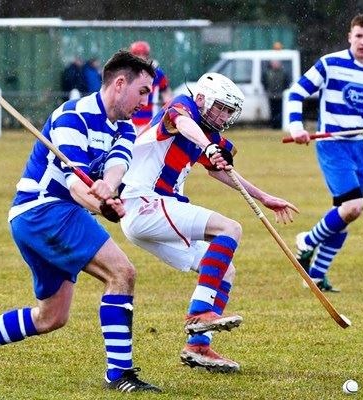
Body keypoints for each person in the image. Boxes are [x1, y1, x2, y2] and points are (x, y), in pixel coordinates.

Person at [0, 50, 162, 393]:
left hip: (40, 218)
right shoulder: (74, 116)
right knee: (122, 272)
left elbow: (117, 166)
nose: (145, 101)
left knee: (51, 317)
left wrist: (109, 188)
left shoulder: (126, 128)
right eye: (143, 91)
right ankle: (120, 374)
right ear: (120, 84)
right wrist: (101, 203)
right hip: (44, 210)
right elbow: (75, 185)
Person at [119, 72, 298, 372]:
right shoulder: (182, 109)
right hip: (144, 202)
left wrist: (265, 197)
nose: (225, 115)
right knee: (230, 228)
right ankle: (199, 314)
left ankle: (198, 347)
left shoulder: (208, 135)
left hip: (152, 214)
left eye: (230, 111)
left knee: (225, 271)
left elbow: (220, 169)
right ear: (201, 99)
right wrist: (208, 146)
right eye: (221, 107)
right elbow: (184, 124)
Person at [286, 14, 363, 292]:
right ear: (350, 37)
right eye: (359, 36)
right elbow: (296, 93)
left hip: (358, 146)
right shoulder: (330, 64)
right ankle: (306, 241)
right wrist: (296, 127)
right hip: (332, 144)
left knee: (345, 213)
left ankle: (317, 276)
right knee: (353, 206)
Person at [129, 40, 173, 131]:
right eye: (138, 55)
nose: (141, 58)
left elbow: (166, 93)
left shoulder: (156, 73)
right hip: (130, 118)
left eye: (143, 54)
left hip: (150, 119)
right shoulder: (127, 72)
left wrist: (169, 110)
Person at [263, 60, 290, 129]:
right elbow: (264, 82)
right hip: (271, 96)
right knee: (273, 111)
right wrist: (267, 90)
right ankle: (274, 125)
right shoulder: (268, 73)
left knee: (280, 111)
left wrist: (283, 91)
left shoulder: (283, 73)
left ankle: (279, 125)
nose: (275, 65)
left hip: (280, 96)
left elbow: (287, 83)